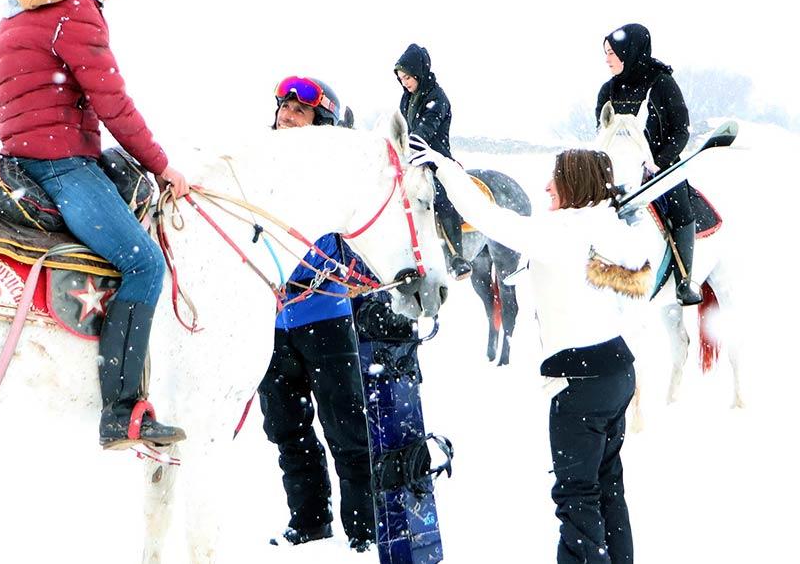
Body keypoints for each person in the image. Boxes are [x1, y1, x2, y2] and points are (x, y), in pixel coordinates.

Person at [0, 0, 188, 449]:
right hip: (63, 167)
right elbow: (112, 102)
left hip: (19, 162)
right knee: (145, 262)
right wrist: (163, 165)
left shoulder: (15, 17)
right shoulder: (78, 9)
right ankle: (122, 411)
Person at [410, 139, 650, 564]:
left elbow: (486, 215)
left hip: (579, 383)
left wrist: (446, 168)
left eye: (554, 180)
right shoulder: (609, 227)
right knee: (607, 485)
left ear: (574, 185)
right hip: (615, 371)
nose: (544, 188)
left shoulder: (562, 232)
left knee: (577, 497)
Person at [259, 75, 376, 552]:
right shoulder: (257, 166)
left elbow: (363, 244)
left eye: (300, 110)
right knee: (288, 430)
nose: (287, 115)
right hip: (272, 326)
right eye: (284, 108)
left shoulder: (339, 177)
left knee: (347, 430)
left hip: (326, 320)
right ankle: (308, 524)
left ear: (322, 122)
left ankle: (364, 533)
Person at [596, 23, 701, 305]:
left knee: (682, 211)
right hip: (616, 171)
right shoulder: (607, 90)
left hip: (660, 169)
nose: (606, 59)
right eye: (605, 53)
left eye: (611, 53)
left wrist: (660, 163)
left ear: (627, 52)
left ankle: (684, 281)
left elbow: (681, 130)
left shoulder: (662, 83)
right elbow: (602, 132)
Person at [394, 43, 471, 280]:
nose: (405, 82)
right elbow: (404, 130)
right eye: (401, 78)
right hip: (413, 160)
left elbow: (424, 130)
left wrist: (411, 145)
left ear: (419, 72)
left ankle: (457, 256)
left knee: (441, 195)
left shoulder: (437, 98)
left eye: (407, 77)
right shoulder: (405, 100)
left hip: (437, 160)